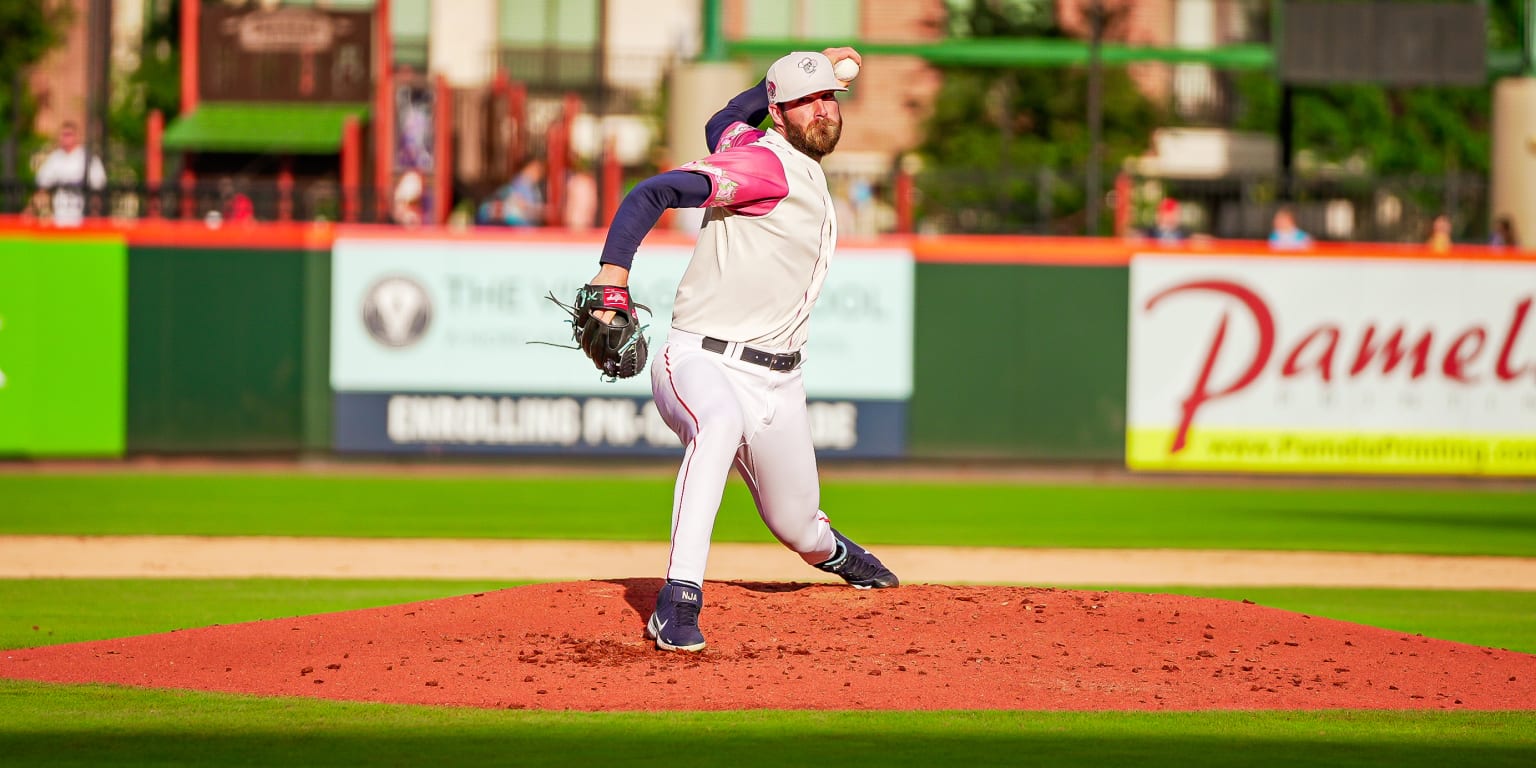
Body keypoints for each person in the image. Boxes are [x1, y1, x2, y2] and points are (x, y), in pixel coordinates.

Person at [584, 47, 898, 653]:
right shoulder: (764, 166)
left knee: (800, 528)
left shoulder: (751, 143)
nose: (823, 111)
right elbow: (651, 193)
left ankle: (835, 552)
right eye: (806, 102)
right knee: (718, 425)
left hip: (779, 383)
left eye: (828, 97)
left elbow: (722, 120)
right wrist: (612, 276)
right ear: (779, 115)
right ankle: (677, 602)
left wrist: (788, 79)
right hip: (701, 358)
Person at [33, 120, 107, 227]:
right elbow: (42, 185)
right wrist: (44, 212)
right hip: (59, 214)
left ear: (77, 136)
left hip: (82, 215)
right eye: (63, 135)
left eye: (69, 135)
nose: (66, 138)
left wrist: (94, 213)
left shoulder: (88, 158)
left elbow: (98, 185)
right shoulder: (55, 158)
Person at [478, 159, 545, 227]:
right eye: (535, 170)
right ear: (526, 168)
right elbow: (521, 206)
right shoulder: (519, 184)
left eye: (539, 171)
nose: (537, 174)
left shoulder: (532, 187)